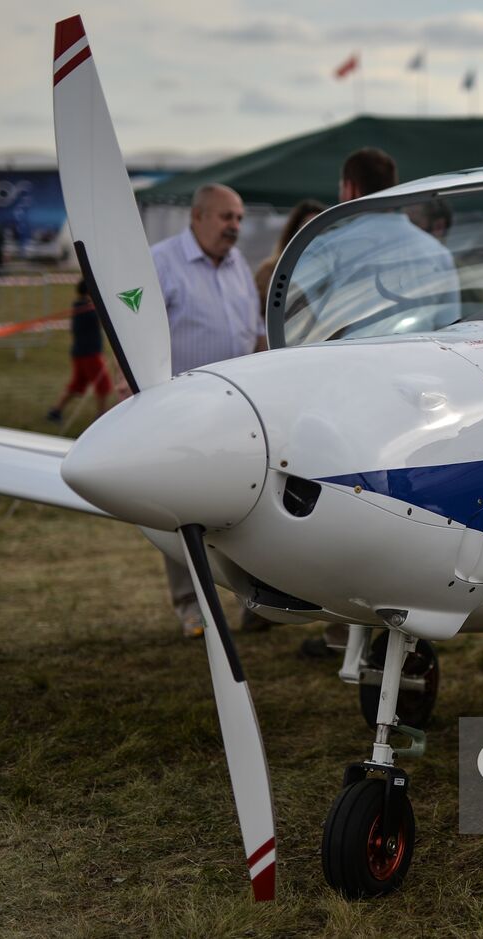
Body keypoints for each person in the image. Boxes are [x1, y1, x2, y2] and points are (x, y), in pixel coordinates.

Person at [150, 183, 268, 638]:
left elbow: (255, 332)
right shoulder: (161, 263)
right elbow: (136, 333)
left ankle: (254, 602)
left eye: (238, 218)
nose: (234, 227)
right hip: (180, 415)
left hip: (239, 413)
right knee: (180, 513)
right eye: (225, 217)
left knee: (243, 508)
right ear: (197, 216)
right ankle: (191, 607)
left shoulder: (239, 264)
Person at [289, 147, 459, 339]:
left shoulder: (327, 247)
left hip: (347, 363)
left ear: (350, 188)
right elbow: (448, 328)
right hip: (417, 363)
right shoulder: (438, 253)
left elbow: (293, 313)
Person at [46, 279, 112, 424]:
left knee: (77, 385)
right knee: (103, 385)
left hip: (79, 353)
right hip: (90, 354)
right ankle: (102, 417)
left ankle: (55, 410)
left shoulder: (78, 306)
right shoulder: (88, 310)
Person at [254, 199, 325, 317]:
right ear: (293, 234)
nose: (314, 237)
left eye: (320, 231)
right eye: (307, 229)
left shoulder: (335, 274)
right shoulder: (270, 271)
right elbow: (257, 320)